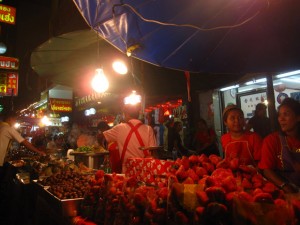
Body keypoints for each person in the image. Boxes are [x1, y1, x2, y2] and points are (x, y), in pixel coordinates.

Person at [258, 98, 300, 193]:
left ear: (298, 117)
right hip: (283, 191)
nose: (281, 119)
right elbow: (266, 170)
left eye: (286, 114)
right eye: (279, 115)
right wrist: (285, 187)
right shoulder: (271, 140)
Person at [101, 103, 157, 173]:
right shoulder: (149, 129)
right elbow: (153, 152)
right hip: (145, 172)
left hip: (127, 171)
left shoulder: (120, 128)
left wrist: (103, 148)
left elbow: (102, 136)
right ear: (138, 114)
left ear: (126, 114)